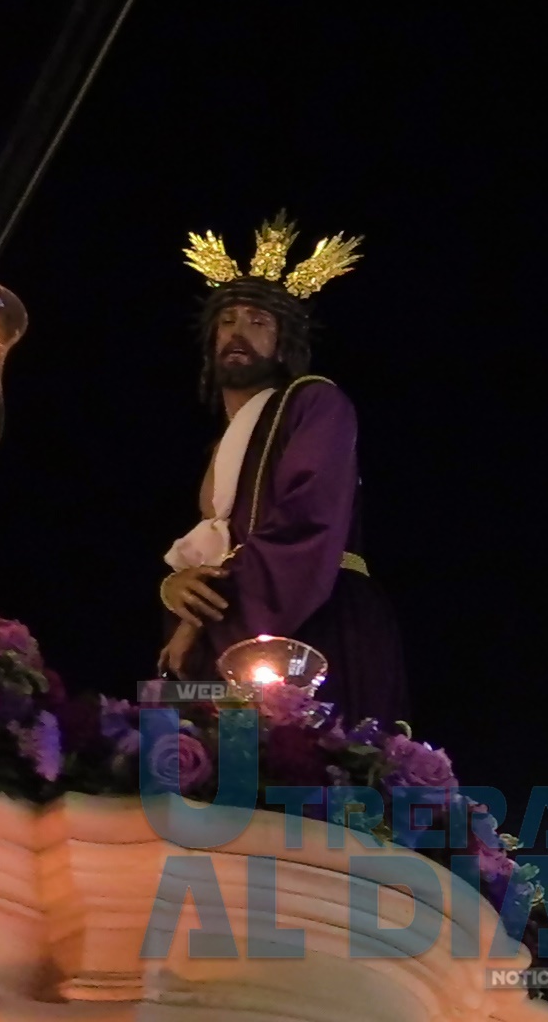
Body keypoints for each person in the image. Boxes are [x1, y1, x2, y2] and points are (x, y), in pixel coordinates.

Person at [157, 211, 409, 726]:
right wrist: (176, 591)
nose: (238, 332)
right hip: (228, 631)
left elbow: (306, 519)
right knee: (200, 763)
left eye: (258, 322)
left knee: (309, 763)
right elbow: (212, 552)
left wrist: (202, 617)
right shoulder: (222, 448)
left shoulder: (315, 402)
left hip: (316, 615)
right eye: (228, 321)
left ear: (283, 342)